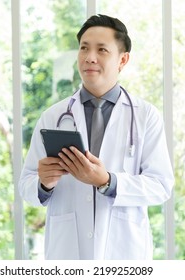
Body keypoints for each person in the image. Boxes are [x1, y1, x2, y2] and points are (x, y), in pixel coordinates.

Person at [19, 14, 174, 260]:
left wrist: (108, 181)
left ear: (122, 60)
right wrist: (43, 183)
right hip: (66, 254)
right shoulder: (53, 117)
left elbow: (161, 186)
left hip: (123, 253)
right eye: (84, 48)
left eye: (102, 50)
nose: (90, 57)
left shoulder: (145, 116)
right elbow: (26, 185)